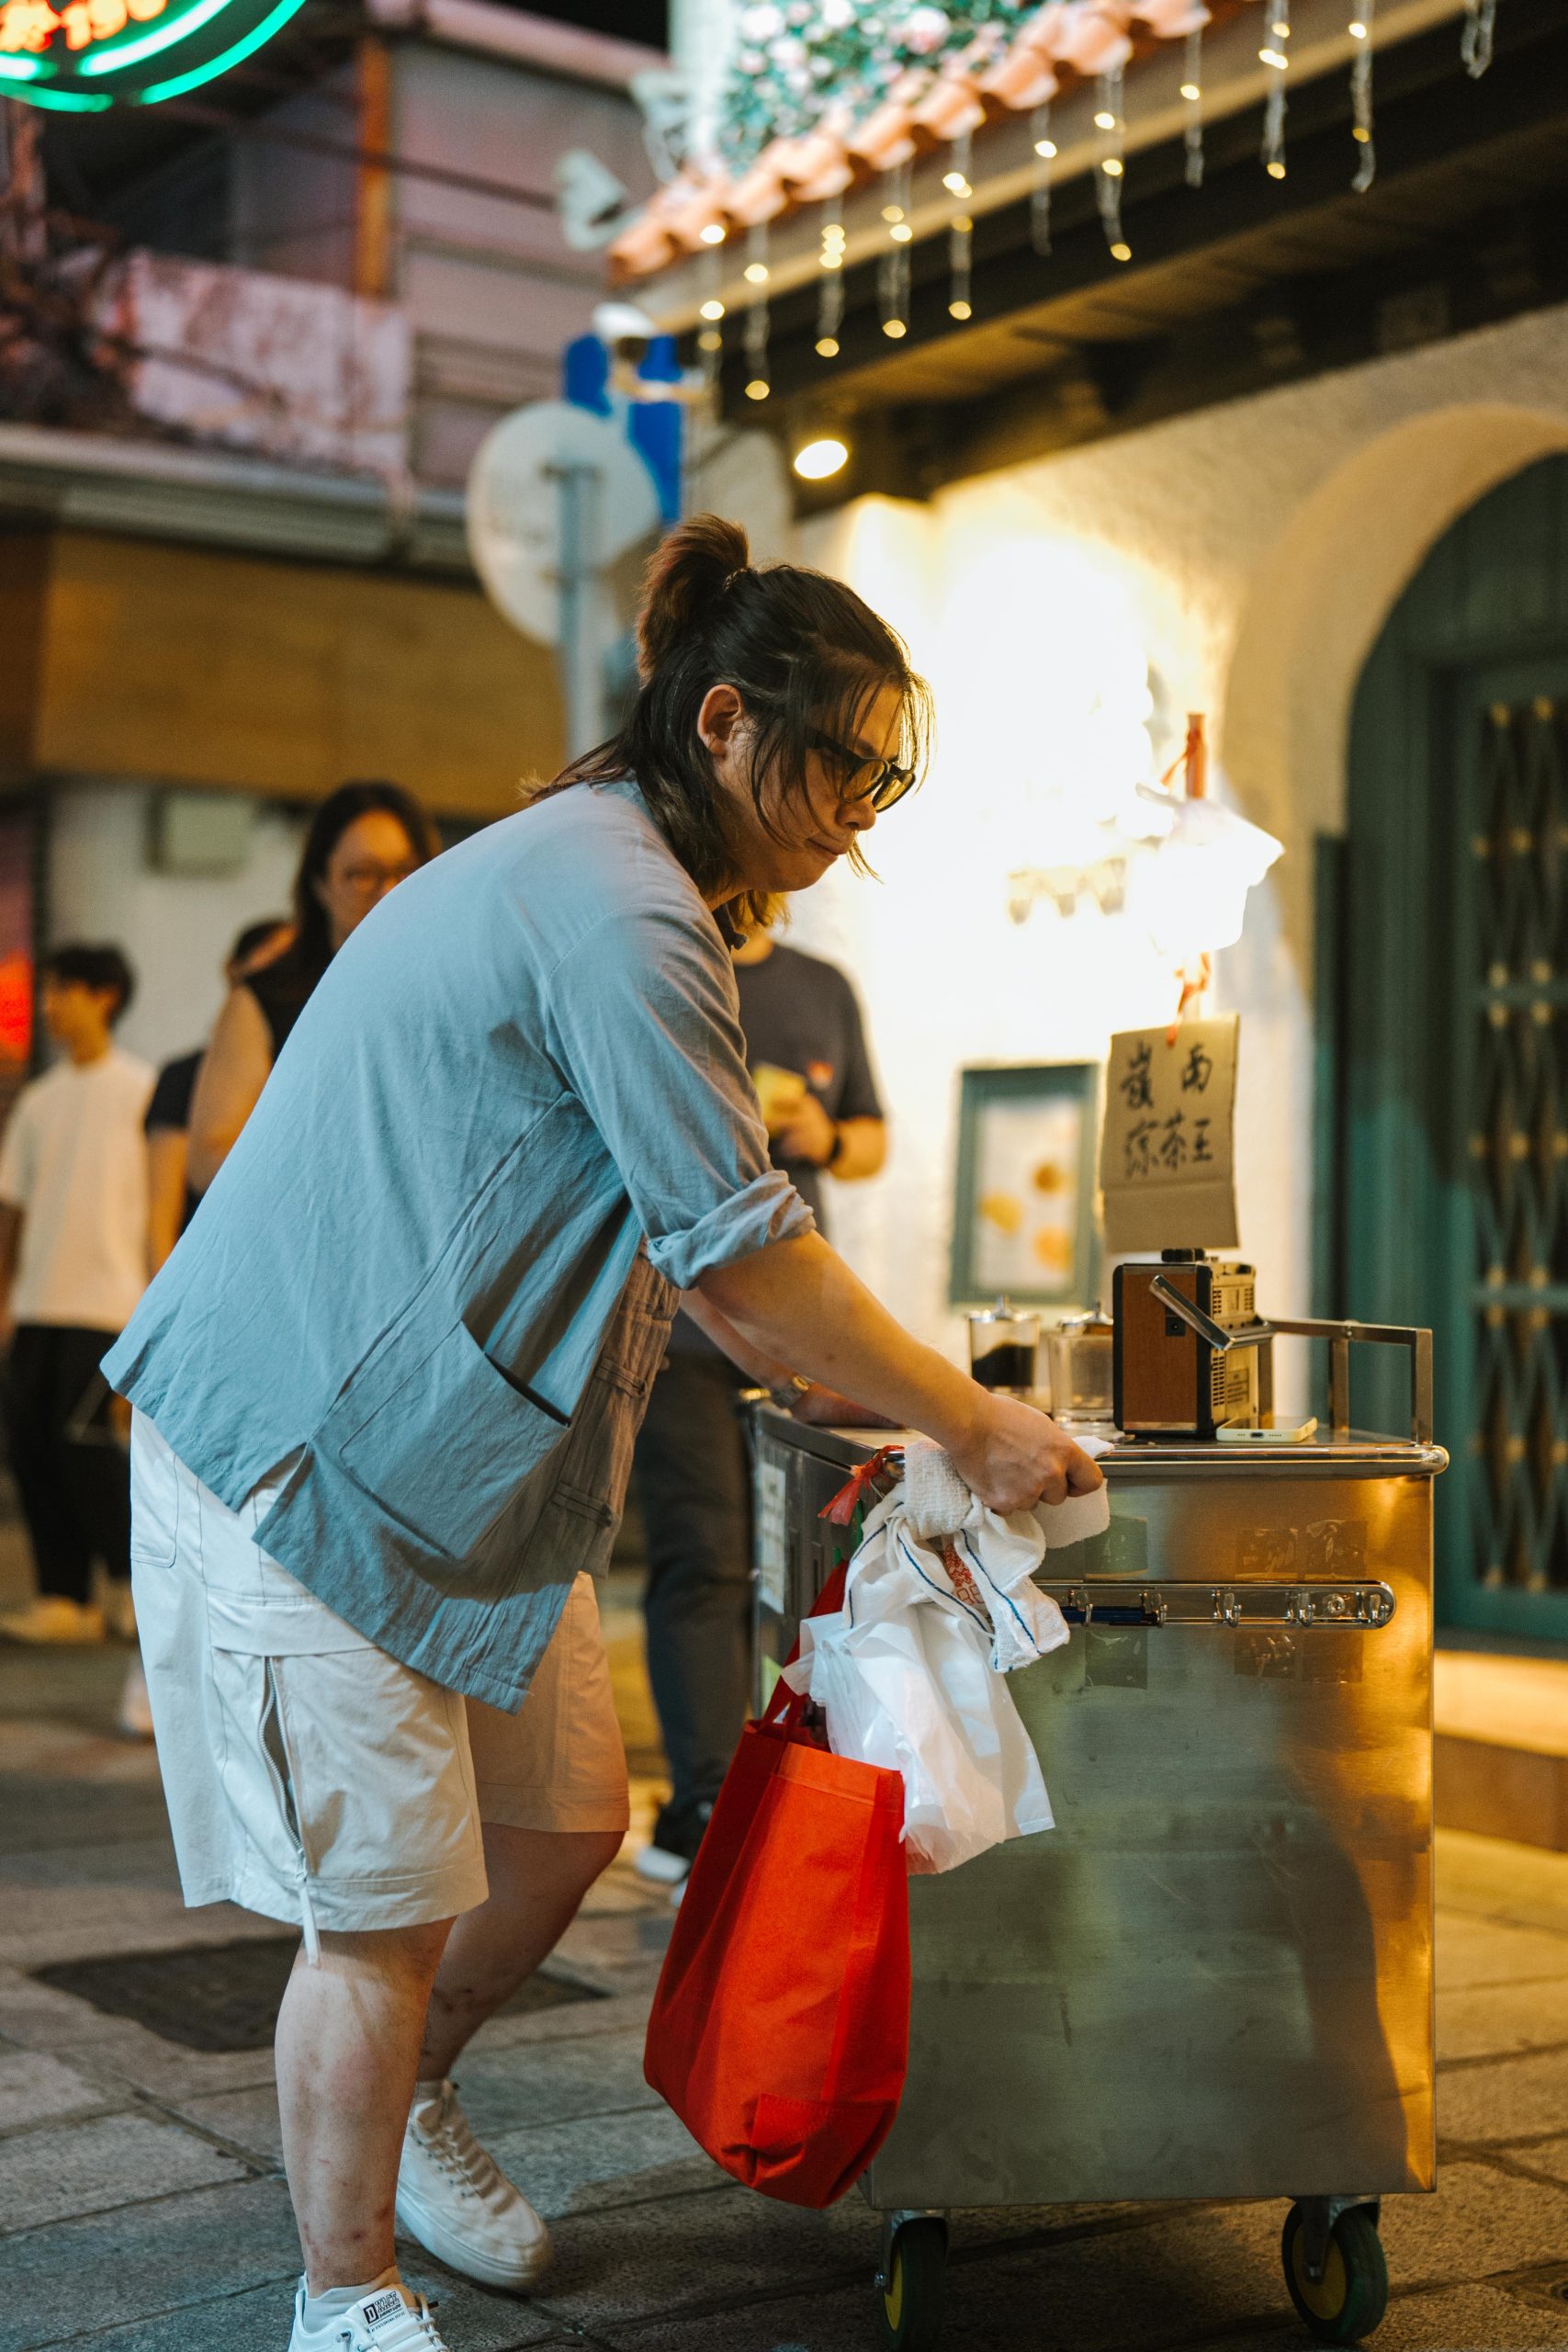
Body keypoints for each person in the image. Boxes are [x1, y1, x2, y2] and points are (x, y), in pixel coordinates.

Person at [103, 515, 1100, 2352]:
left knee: (561, 1826)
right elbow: (739, 1266)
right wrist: (973, 1414)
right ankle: (343, 2292)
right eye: (841, 771)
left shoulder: (650, 881)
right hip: (313, 1448)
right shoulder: (621, 897)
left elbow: (699, 1243)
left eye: (881, 779)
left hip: (469, 1454)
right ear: (723, 722)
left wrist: (867, 1379)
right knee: (381, 1908)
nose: (855, 820)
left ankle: (398, 2103)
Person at [633, 914, 887, 1884]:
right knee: (705, 1556)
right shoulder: (667, 961)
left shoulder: (823, 985)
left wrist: (823, 1133)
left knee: (805, 1564)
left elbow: (869, 1141)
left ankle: (796, 1782)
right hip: (679, 1323)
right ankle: (698, 1801)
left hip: (799, 1333)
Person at [0, 944, 151, 1645]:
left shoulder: (141, 1091)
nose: (51, 1003)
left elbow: (161, 1204)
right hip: (38, 1303)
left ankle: (128, 1586)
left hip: (110, 1304)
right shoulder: (38, 1100)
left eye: (64, 990)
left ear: (105, 997)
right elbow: (14, 1209)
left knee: (85, 1449)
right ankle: (65, 1597)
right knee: (31, 1445)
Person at [187, 782, 436, 1195]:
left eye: (405, 870)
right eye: (361, 875)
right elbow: (210, 1158)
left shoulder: (455, 987)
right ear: (320, 885)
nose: (389, 891)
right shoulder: (268, 998)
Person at [145, 918, 290, 1271]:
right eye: (272, 957)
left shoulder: (303, 1069)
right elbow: (164, 1209)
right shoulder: (183, 1076)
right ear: (233, 969)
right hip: (211, 1266)